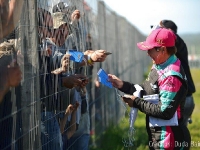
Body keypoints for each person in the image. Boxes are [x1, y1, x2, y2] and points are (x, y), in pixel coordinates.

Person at [108, 28, 190, 150]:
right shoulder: (160, 65)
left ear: (162, 50)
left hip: (169, 140)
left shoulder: (171, 76)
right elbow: (146, 90)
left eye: (150, 50)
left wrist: (136, 103)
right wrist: (122, 85)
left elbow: (165, 111)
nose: (147, 53)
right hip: (159, 137)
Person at [155, 20, 196, 126]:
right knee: (179, 135)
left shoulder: (177, 42)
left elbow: (171, 36)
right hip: (184, 97)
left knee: (176, 136)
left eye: (161, 30)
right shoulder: (176, 46)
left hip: (182, 99)